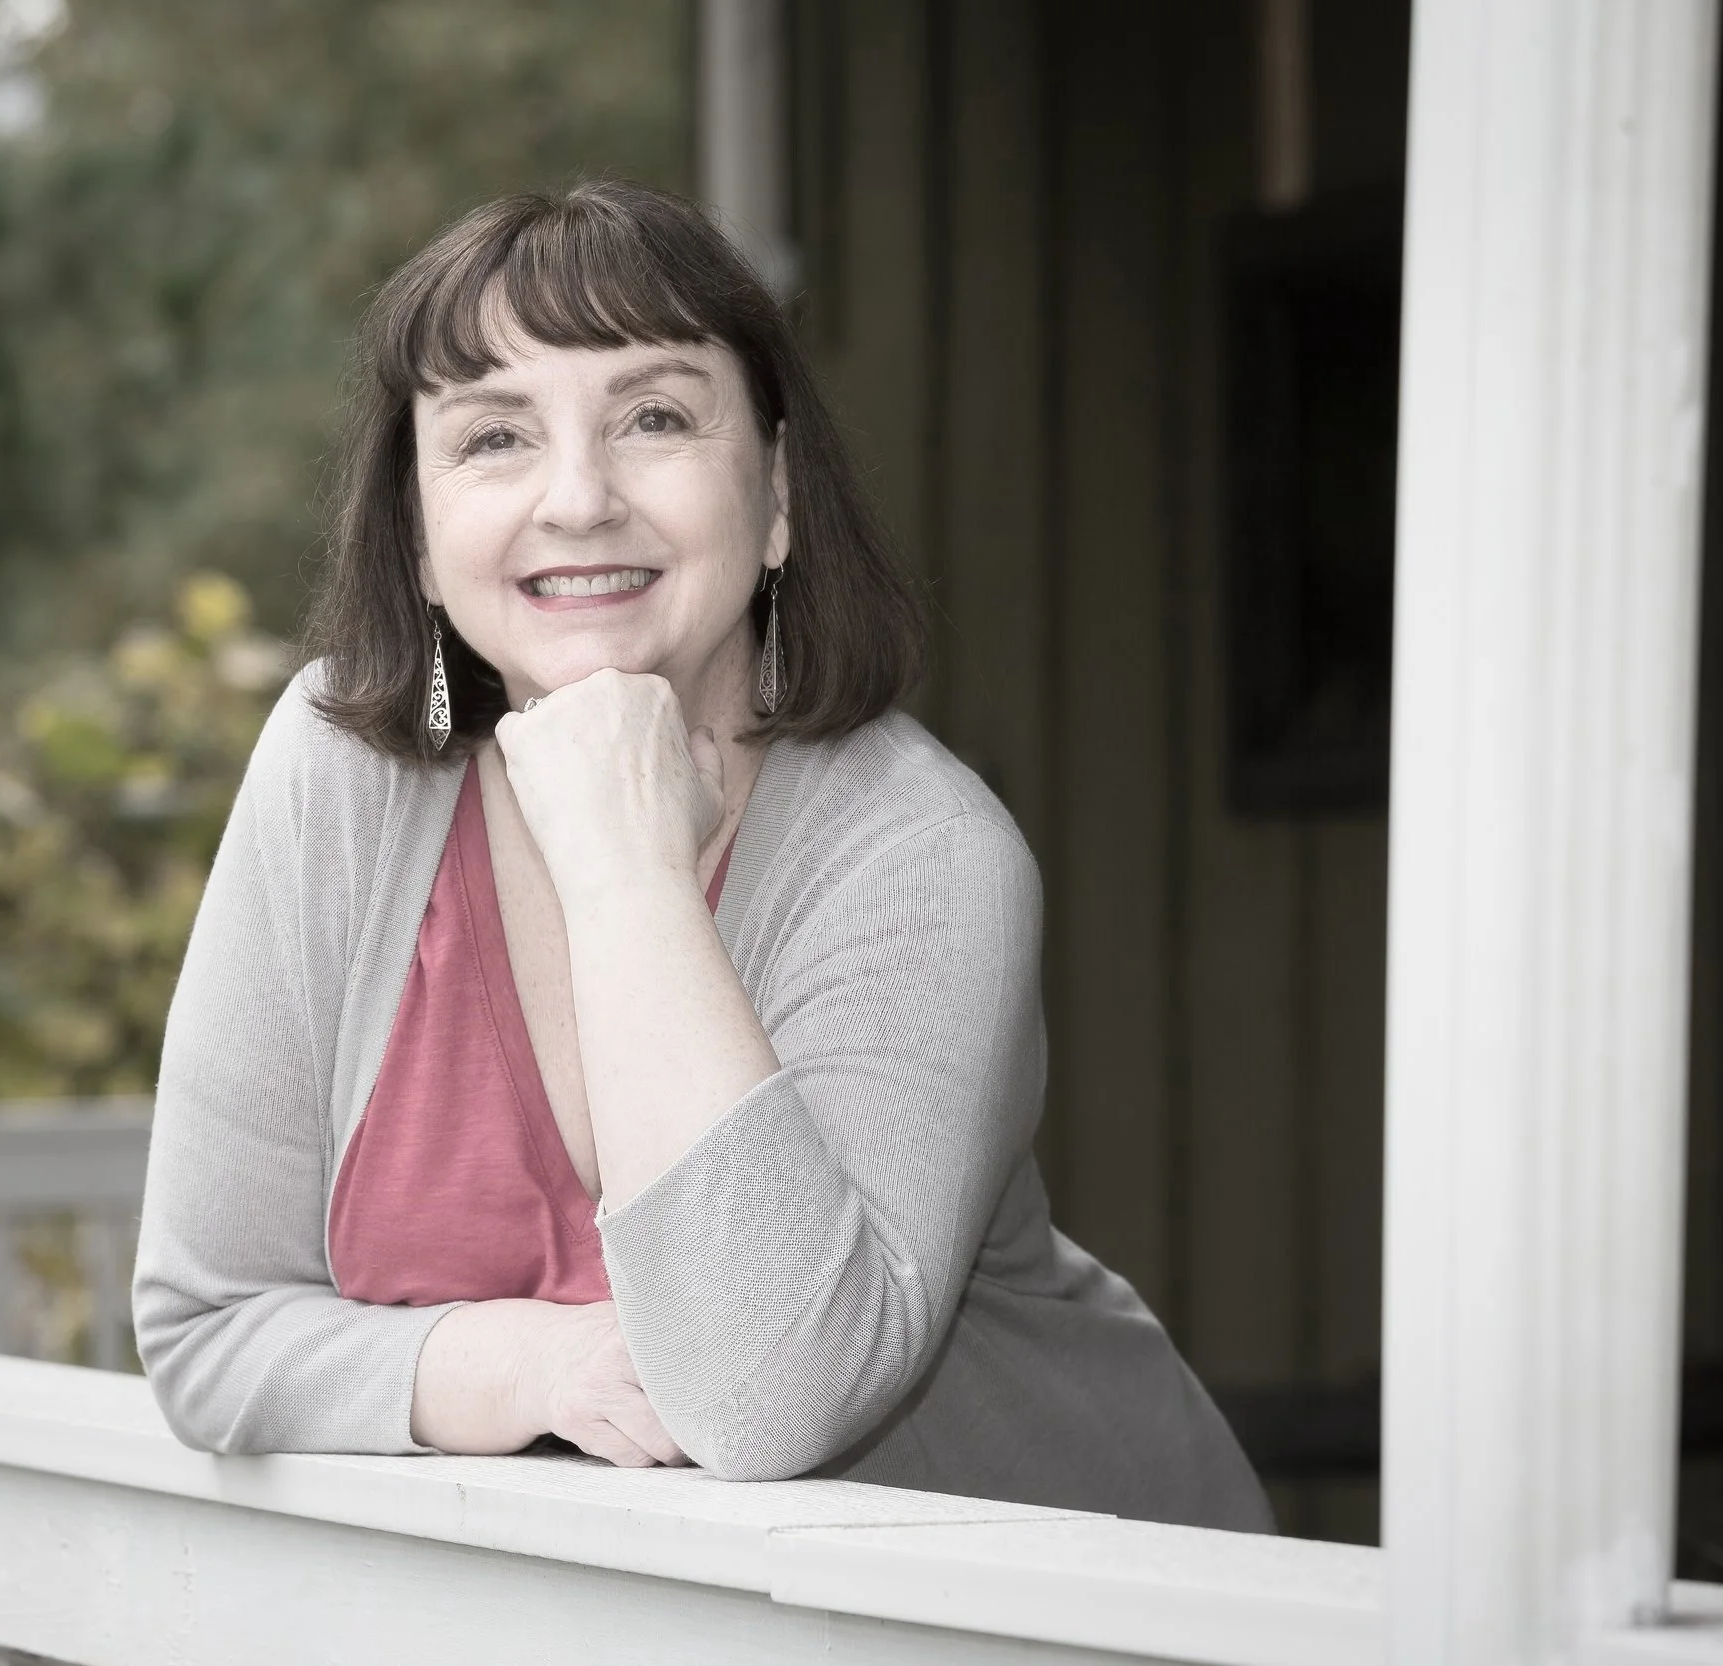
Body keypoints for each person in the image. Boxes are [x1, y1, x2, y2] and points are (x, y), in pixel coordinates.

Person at [132, 179, 1271, 1530]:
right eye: (495, 436)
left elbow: (763, 1398)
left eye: (656, 417)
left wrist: (625, 866)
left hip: (1071, 1610)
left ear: (777, 495)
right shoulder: (342, 777)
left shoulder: (919, 850)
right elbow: (207, 1327)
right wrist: (518, 1362)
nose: (578, 498)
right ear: (421, 538)